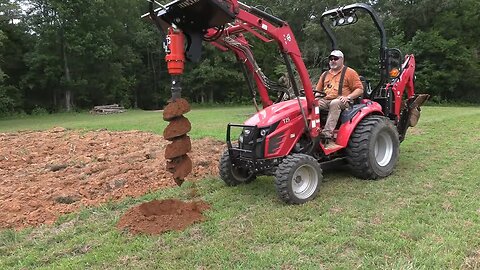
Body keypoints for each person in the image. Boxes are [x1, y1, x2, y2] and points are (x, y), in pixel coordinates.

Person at [315, 50, 364, 148]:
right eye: (331, 59)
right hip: (325, 100)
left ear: (342, 60)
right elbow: (317, 91)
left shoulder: (350, 72)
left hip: (344, 101)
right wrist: (313, 99)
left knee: (335, 103)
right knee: (311, 104)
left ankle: (326, 134)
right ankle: (311, 130)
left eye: (335, 59)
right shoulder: (325, 74)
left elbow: (359, 89)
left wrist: (348, 97)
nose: (333, 61)